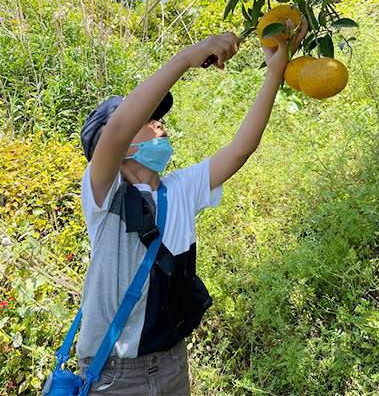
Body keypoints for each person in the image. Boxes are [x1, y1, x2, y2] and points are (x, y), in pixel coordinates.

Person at [77, 21, 307, 395]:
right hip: (113, 375)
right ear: (111, 144)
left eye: (157, 115)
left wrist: (276, 72)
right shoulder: (104, 192)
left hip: (171, 364)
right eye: (147, 117)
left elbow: (239, 149)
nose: (158, 121)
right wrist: (186, 58)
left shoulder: (178, 190)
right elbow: (119, 128)